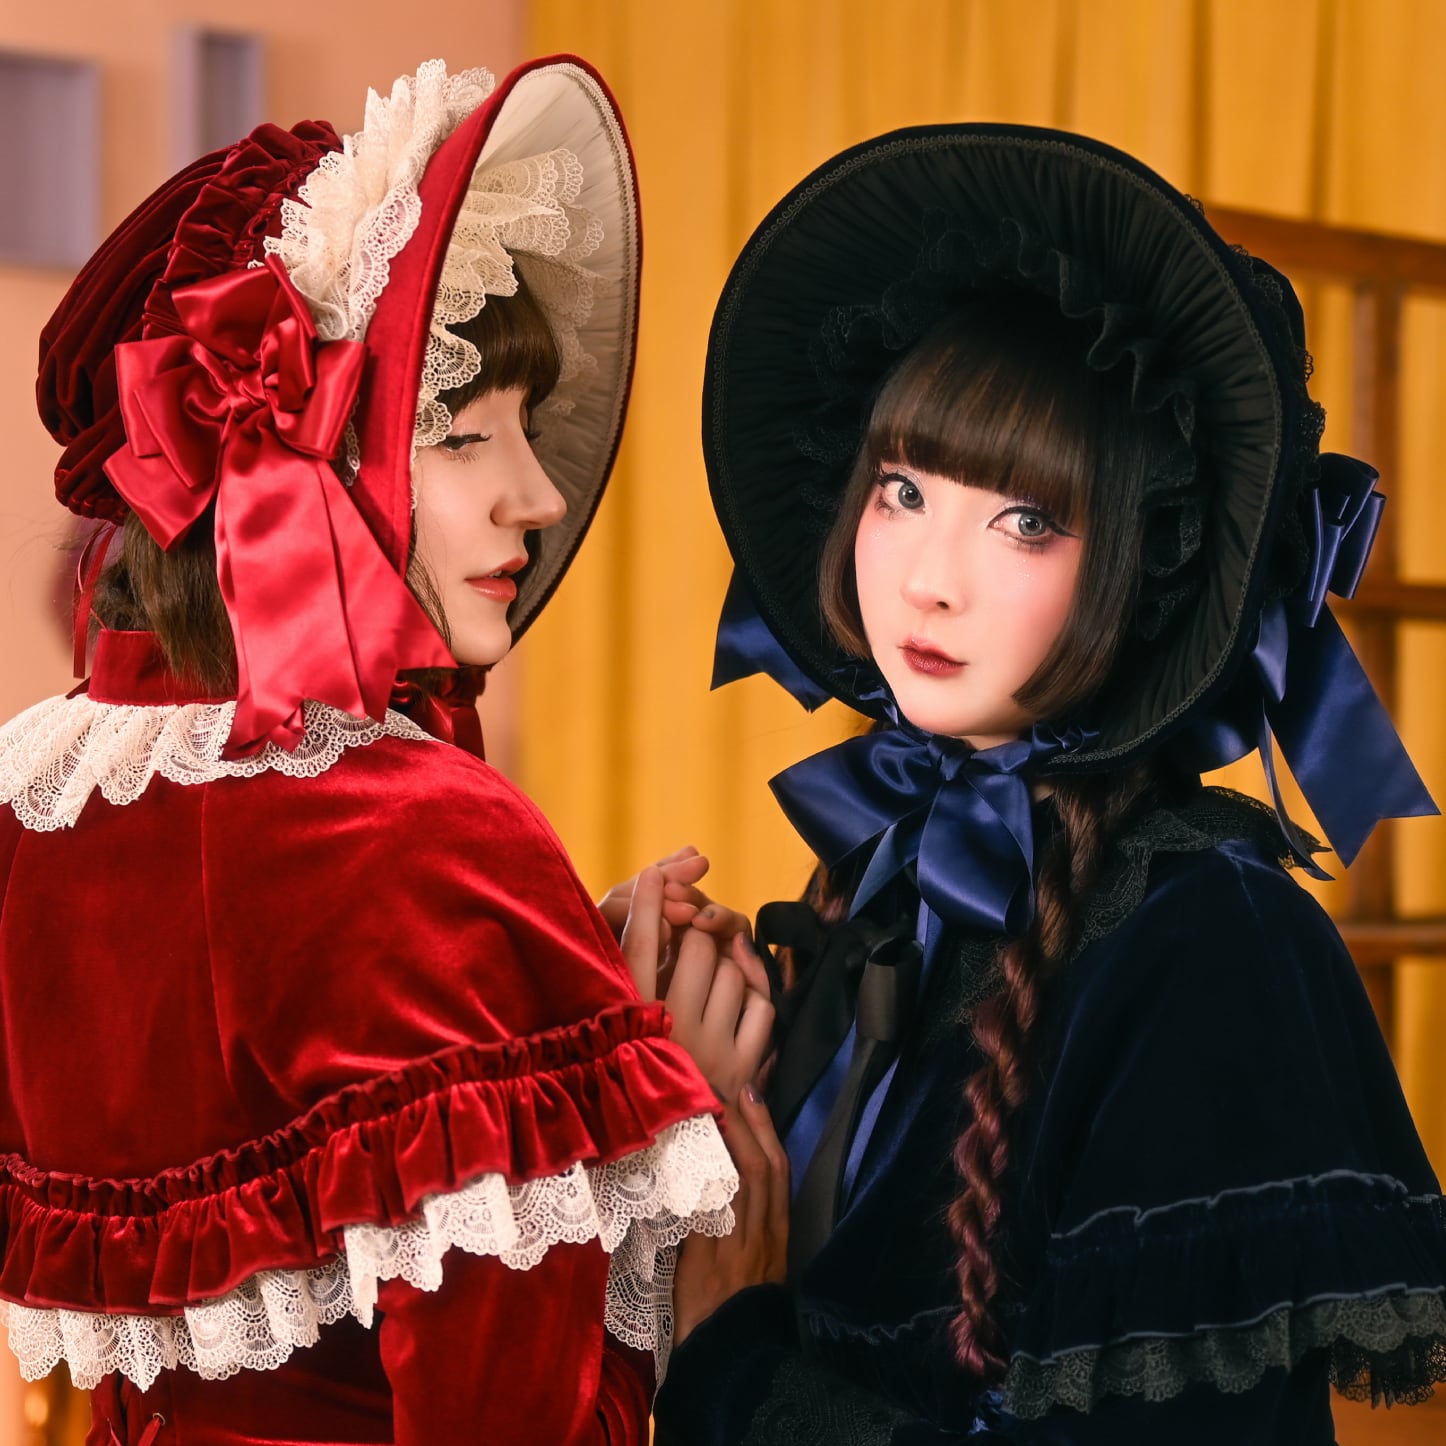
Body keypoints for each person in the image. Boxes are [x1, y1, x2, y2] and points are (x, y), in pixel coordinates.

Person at [652, 125, 1446, 1443]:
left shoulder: (1215, 944)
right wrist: (691, 1083)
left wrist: (729, 1361)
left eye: (1023, 519)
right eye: (902, 489)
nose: (928, 579)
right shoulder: (886, 870)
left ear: (1144, 561)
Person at [0, 58, 750, 1446]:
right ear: (295, 467)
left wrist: (563, 1015)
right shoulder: (423, 836)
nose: (536, 495)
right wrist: (665, 1104)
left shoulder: (42, 803)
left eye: (526, 430)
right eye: (462, 433)